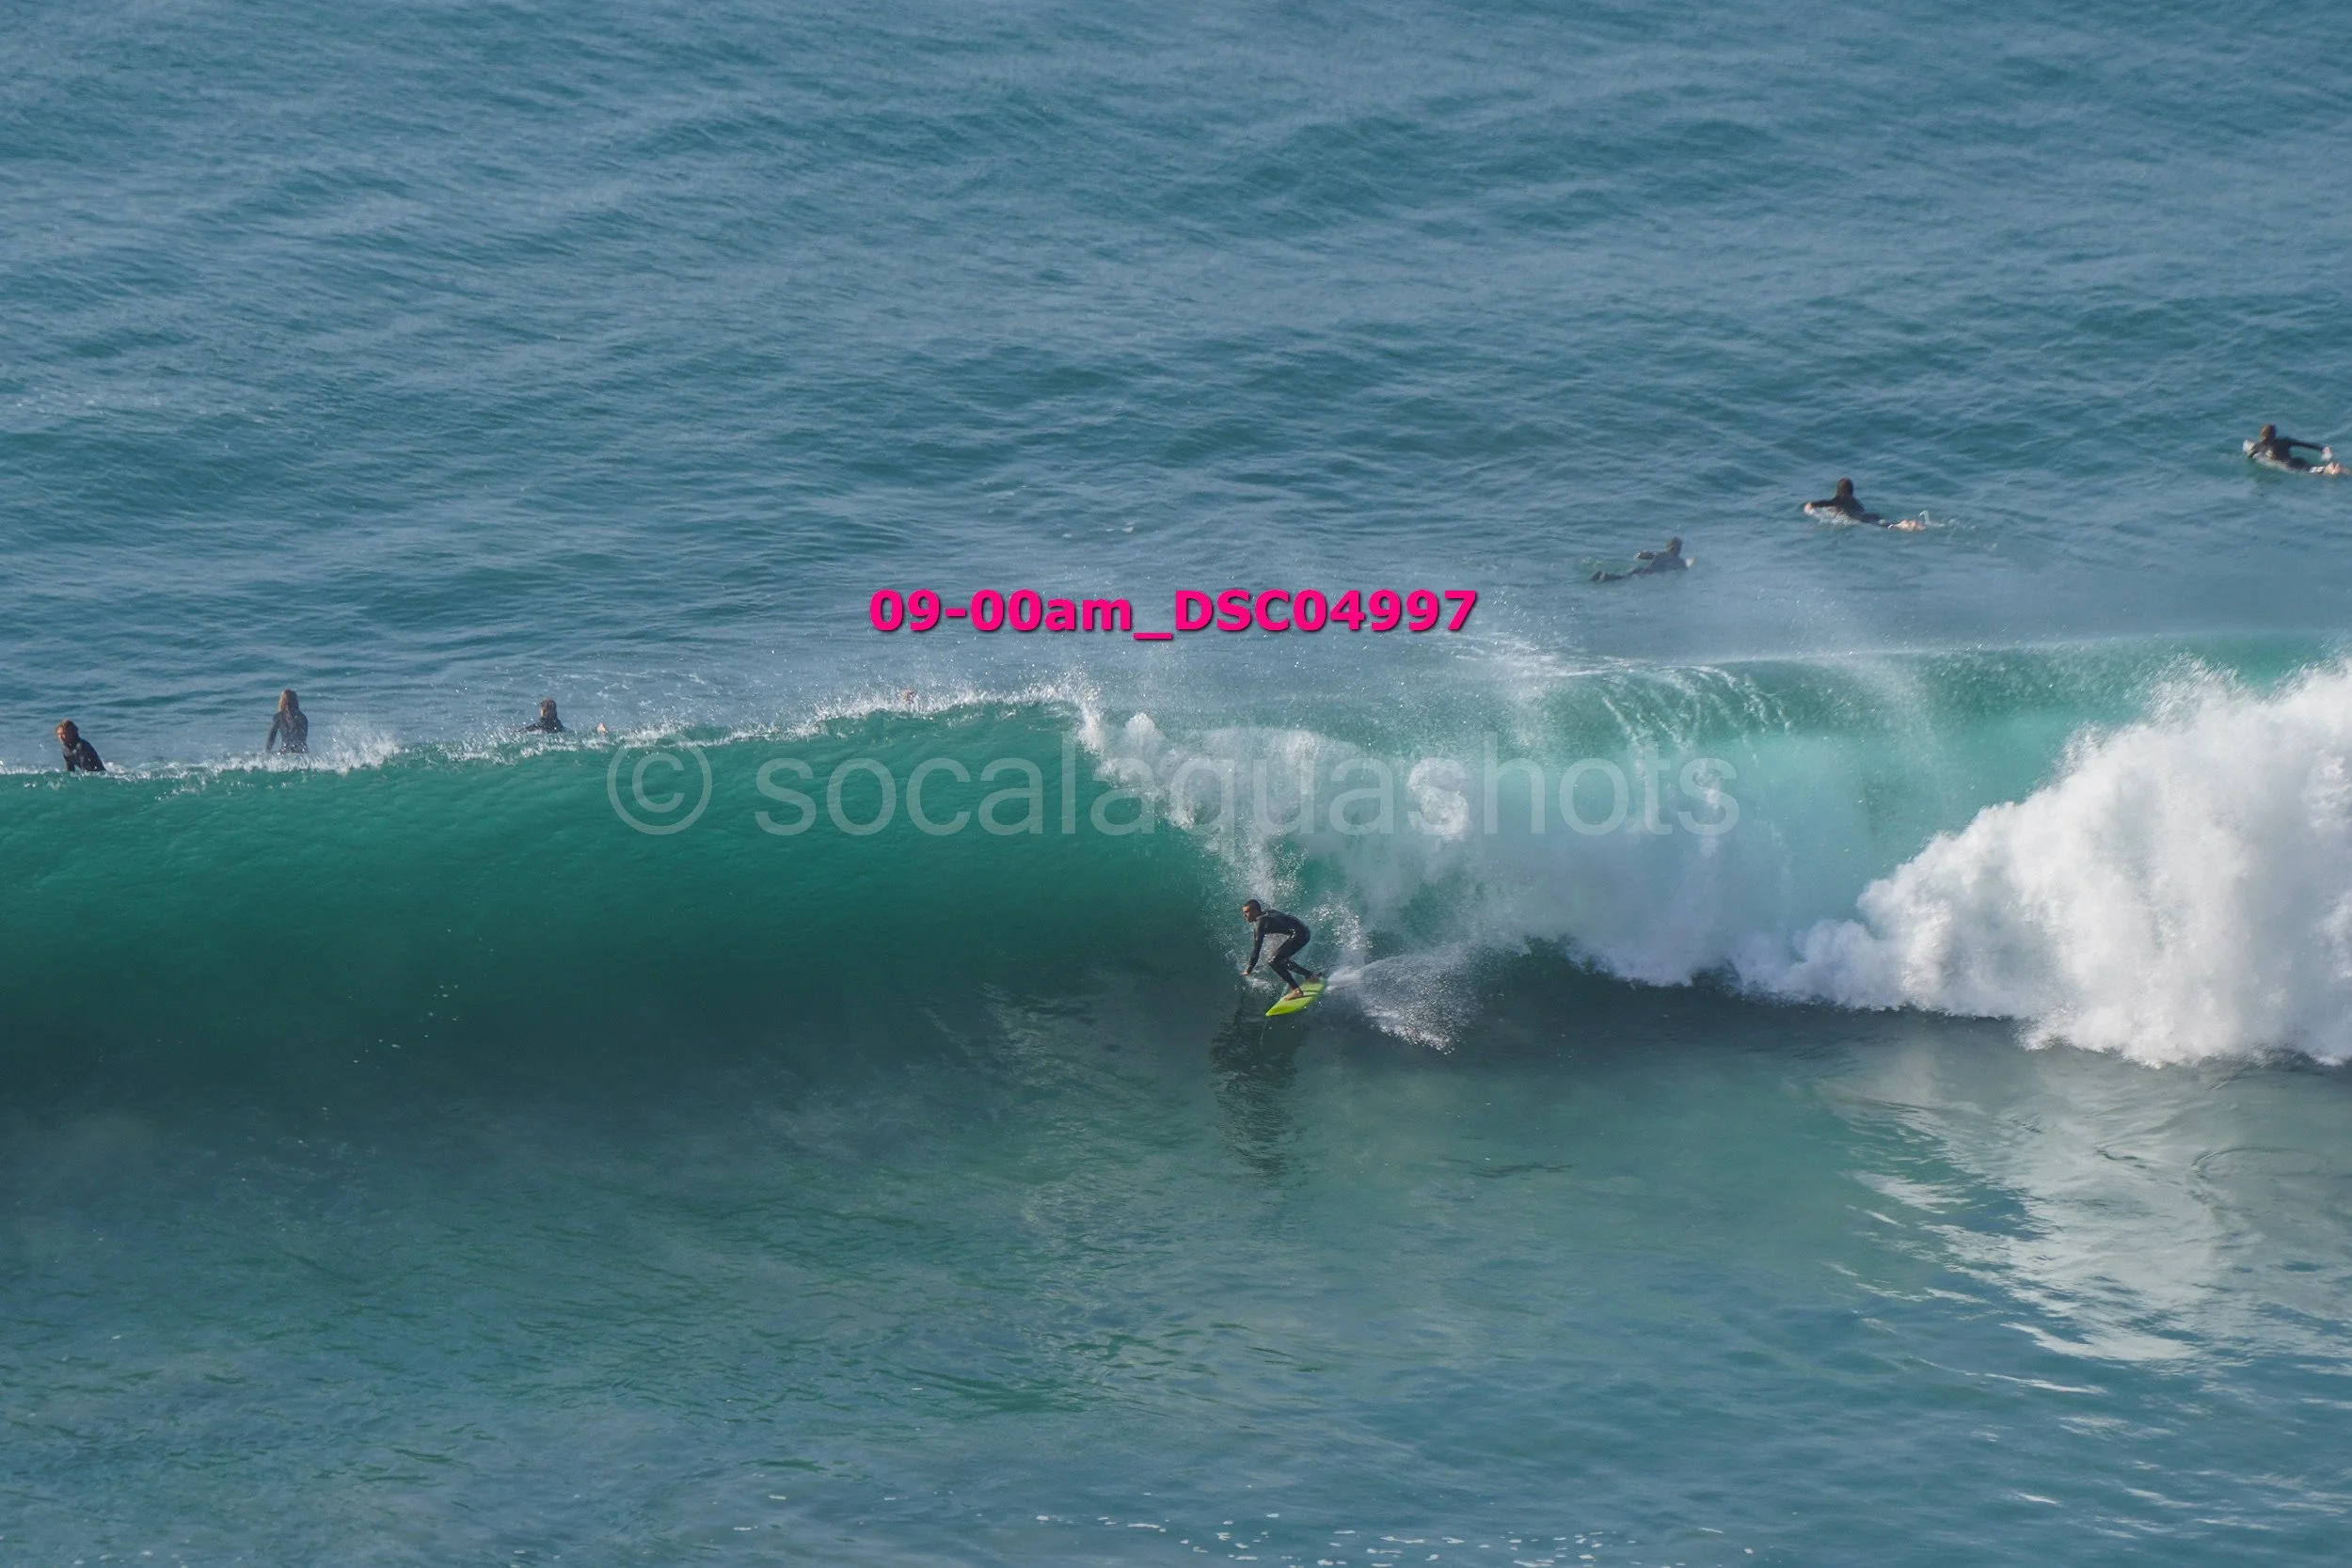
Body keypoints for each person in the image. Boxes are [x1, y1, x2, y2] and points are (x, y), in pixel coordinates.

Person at [1242, 899, 1322, 1003]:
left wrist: (1249, 969)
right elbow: (1283, 920)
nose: (1244, 915)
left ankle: (1296, 990)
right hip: (1303, 931)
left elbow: (1256, 950)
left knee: (1273, 961)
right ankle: (1310, 976)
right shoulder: (1267, 912)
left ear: (1255, 911)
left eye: (1246, 912)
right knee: (1281, 959)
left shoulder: (1259, 924)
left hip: (1300, 935)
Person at [1592, 536, 1689, 582]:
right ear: (1674, 548)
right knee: (1623, 579)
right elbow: (1683, 569)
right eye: (1679, 547)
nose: (1680, 549)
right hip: (1648, 574)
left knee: (1623, 577)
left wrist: (1641, 555)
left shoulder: (1660, 554)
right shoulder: (1678, 561)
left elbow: (1644, 555)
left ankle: (1602, 576)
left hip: (1643, 570)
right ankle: (1605, 577)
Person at [2248, 423, 2338, 472]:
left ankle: (2329, 469)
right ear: (2274, 435)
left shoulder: (2258, 447)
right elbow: (2304, 444)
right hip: (2296, 460)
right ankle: (2330, 468)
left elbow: (2249, 456)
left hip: (2288, 465)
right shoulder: (2284, 441)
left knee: (2315, 471)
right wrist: (2322, 449)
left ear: (2261, 435)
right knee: (2313, 469)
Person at [1804, 478, 1883, 523]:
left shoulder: (1842, 498)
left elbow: (1828, 503)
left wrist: (1812, 504)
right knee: (1883, 523)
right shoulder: (1853, 500)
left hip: (1859, 518)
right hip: (1869, 515)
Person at [265, 689, 309, 755]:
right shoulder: (303, 717)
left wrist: (267, 753)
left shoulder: (278, 716)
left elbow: (271, 738)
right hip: (303, 751)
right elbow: (303, 738)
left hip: (286, 751)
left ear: (282, 701)